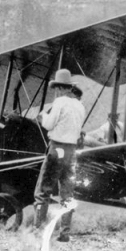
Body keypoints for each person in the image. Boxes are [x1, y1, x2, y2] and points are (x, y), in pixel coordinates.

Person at [34, 68, 86, 242]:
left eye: (57, 88)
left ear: (60, 88)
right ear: (69, 87)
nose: (56, 91)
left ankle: (39, 231)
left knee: (43, 190)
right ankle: (64, 233)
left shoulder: (60, 102)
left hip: (57, 148)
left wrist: (42, 117)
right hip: (71, 152)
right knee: (67, 193)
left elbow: (49, 125)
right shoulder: (80, 106)